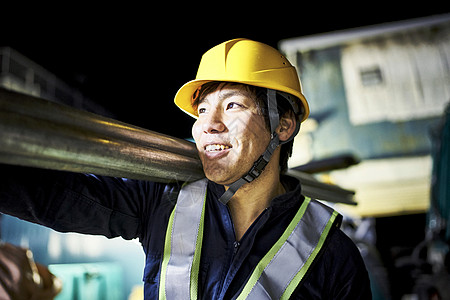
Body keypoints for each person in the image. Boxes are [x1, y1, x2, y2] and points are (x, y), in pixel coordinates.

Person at [0, 38, 372, 299]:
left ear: (284, 126)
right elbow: (54, 198)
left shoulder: (330, 255)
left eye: (232, 106)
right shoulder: (163, 203)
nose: (207, 125)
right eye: (203, 109)